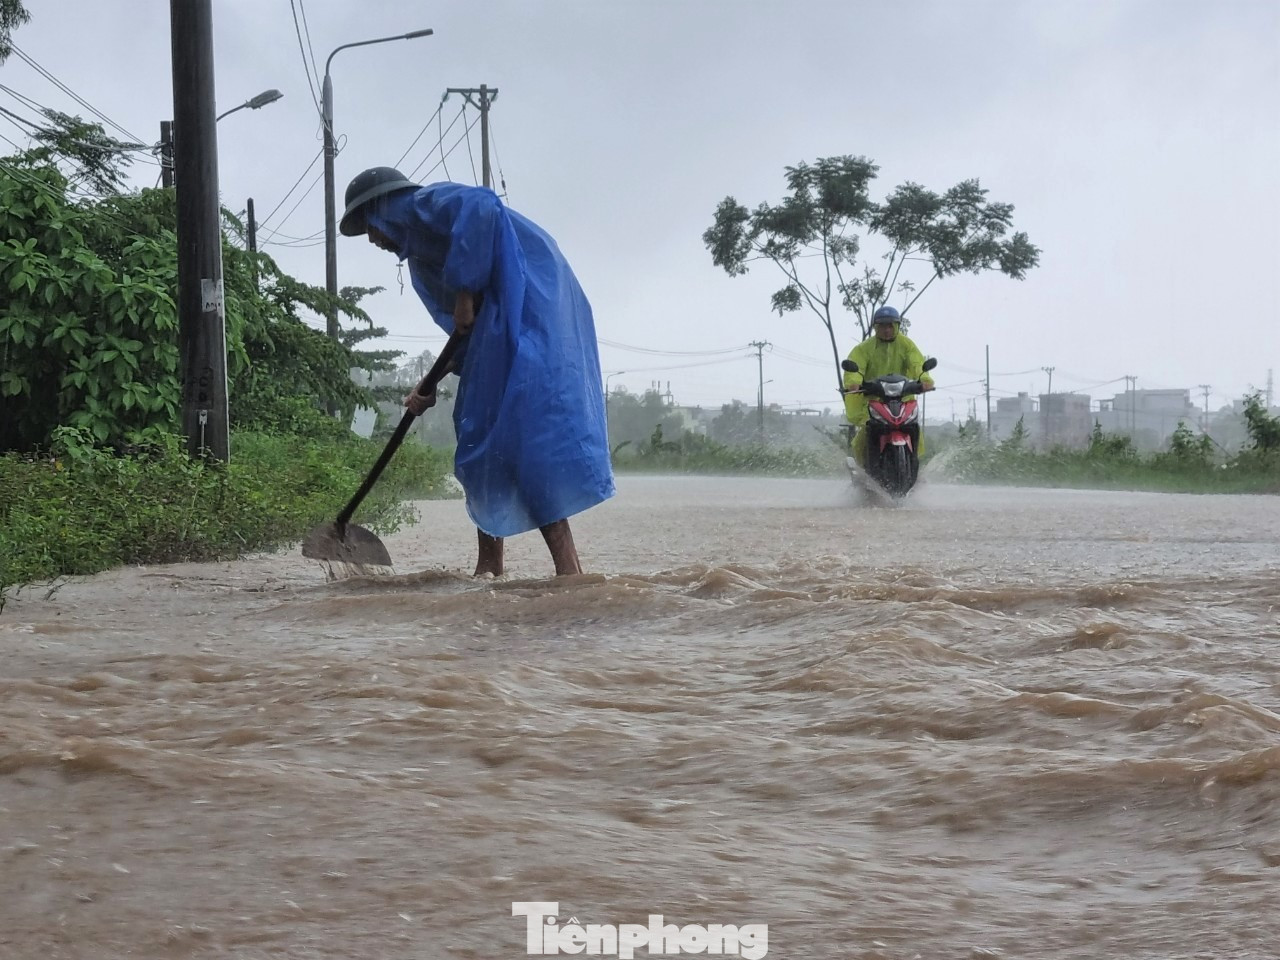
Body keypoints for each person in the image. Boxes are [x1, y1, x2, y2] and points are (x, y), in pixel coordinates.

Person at [339, 166, 615, 577]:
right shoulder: (421, 264)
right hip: (497, 341)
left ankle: (569, 573)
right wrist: (429, 384)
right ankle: (489, 571)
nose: (375, 240)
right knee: (479, 445)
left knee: (525, 448)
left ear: (385, 209)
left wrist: (466, 291)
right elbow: (462, 334)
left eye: (371, 228)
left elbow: (483, 205)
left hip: (533, 316)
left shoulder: (425, 204)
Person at [842, 305, 935, 469]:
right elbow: (856, 367)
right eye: (882, 326)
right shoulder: (864, 348)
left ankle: (915, 467)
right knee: (865, 432)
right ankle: (864, 467)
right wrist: (853, 383)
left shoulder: (907, 345)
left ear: (897, 326)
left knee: (914, 429)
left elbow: (917, 364)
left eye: (890, 325)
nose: (887, 330)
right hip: (873, 400)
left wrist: (925, 379)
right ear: (875, 328)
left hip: (903, 400)